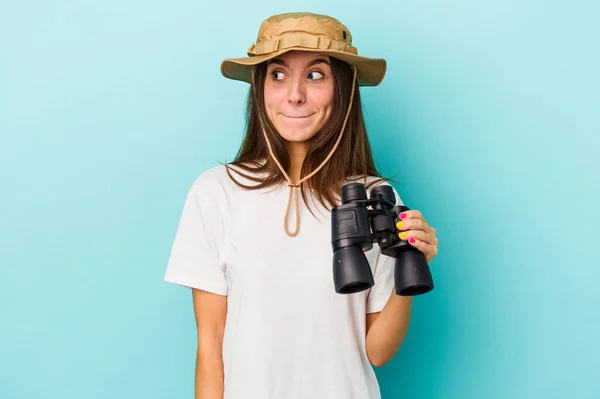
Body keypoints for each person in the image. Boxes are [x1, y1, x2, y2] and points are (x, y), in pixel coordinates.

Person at [164, 12, 439, 399]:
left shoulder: (377, 198)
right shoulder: (216, 192)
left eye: (315, 75)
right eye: (277, 74)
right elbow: (210, 343)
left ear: (342, 88)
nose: (294, 94)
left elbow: (377, 352)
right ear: (260, 88)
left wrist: (412, 269)